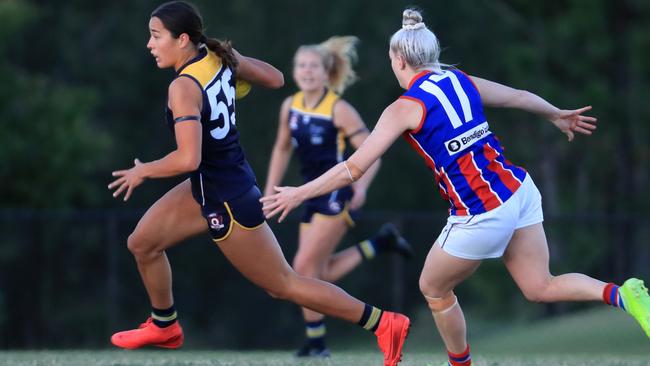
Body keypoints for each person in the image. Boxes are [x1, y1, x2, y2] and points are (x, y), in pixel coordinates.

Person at [261, 8, 650, 366]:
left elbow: (354, 167)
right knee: (540, 285)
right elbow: (515, 97)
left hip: (482, 212)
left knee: (432, 287)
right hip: (520, 192)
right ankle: (624, 293)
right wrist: (555, 114)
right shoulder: (460, 80)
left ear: (398, 60)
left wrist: (297, 192)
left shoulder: (405, 106)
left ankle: (460, 364)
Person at [107, 2, 410, 365]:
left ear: (183, 39)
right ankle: (165, 325)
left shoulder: (183, 86)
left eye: (156, 36)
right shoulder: (212, 57)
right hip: (212, 185)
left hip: (226, 197)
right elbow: (276, 79)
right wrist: (233, 55)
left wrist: (144, 171)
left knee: (283, 284)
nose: (150, 44)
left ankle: (383, 323)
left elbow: (188, 158)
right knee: (142, 243)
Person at [265, 36, 413, 357]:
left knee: (302, 268)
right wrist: (269, 190)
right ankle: (379, 244)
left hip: (336, 193)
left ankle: (317, 342)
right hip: (307, 194)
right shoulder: (289, 106)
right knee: (318, 273)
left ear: (326, 72)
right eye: (301, 65)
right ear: (294, 71)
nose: (306, 71)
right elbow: (281, 148)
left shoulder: (339, 109)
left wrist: (360, 187)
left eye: (313, 66)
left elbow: (373, 154)